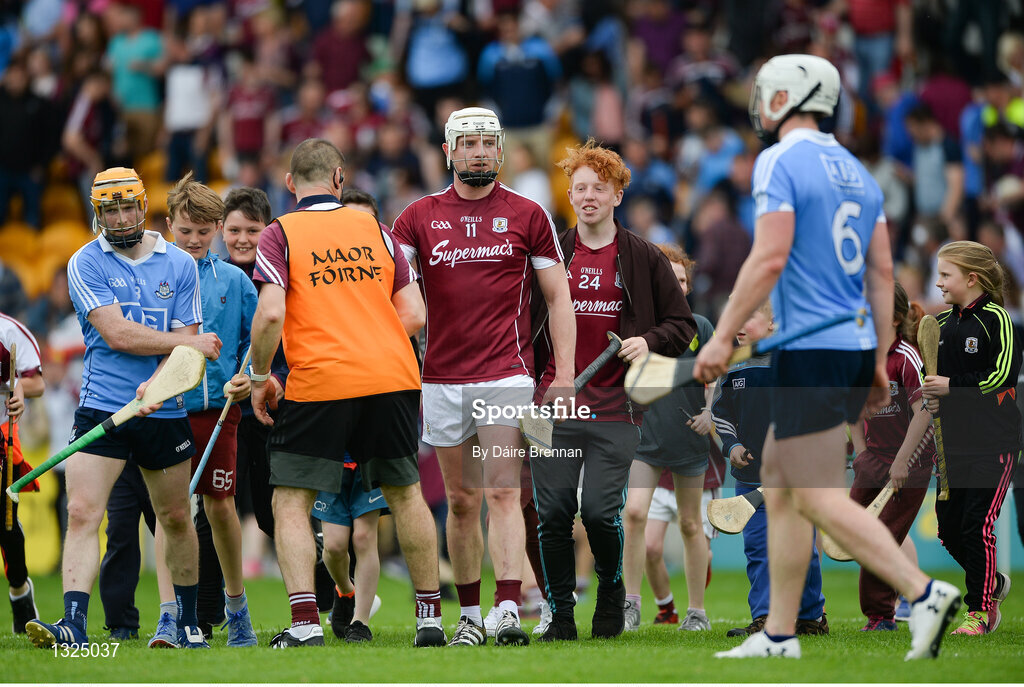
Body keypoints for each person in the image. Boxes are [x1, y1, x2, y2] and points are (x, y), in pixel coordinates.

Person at [693, 54, 960, 661]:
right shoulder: (859, 172)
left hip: (808, 346)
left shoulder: (780, 159)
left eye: (765, 96)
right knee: (784, 488)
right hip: (844, 345)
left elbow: (768, 257)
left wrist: (720, 336)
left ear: (788, 98)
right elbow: (882, 272)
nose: (760, 107)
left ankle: (923, 595)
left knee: (811, 494)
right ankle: (780, 635)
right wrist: (872, 361)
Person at [391, 107, 576, 647]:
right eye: (467, 143)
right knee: (461, 499)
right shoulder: (416, 217)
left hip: (506, 373)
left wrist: (563, 373)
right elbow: (388, 295)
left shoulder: (529, 214)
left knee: (502, 492)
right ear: (448, 151)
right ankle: (468, 614)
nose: (478, 152)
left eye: (488, 143)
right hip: (441, 377)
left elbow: (558, 295)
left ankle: (507, 610)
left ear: (501, 151)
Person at [249, 138, 444, 648]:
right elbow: (416, 314)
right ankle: (429, 620)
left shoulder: (280, 233)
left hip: (320, 381)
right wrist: (368, 341)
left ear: (290, 184)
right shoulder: (378, 231)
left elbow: (270, 314)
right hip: (392, 378)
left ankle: (306, 624)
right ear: (340, 177)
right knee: (406, 495)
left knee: (291, 500)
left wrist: (260, 374)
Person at [25, 167, 223, 650]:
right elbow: (116, 333)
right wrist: (185, 342)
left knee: (176, 516)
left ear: (141, 205)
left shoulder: (178, 264)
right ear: (98, 214)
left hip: (164, 410)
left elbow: (188, 352)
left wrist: (159, 383)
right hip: (103, 408)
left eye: (126, 206)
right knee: (82, 512)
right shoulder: (84, 262)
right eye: (108, 209)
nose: (118, 217)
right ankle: (72, 624)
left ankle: (187, 621)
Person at [530, 140, 694, 641]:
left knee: (600, 514)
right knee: (554, 513)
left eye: (599, 188)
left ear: (617, 194)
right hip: (552, 404)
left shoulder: (642, 256)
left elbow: (682, 324)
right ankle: (559, 614)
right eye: (579, 188)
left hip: (615, 409)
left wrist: (648, 340)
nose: (588, 197)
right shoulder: (550, 253)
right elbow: (521, 325)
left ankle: (610, 590)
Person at [144, 173, 259, 648]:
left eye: (204, 231)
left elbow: (260, 339)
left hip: (220, 410)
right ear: (169, 224)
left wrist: (251, 375)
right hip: (165, 410)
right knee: (171, 512)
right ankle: (169, 616)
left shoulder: (234, 278)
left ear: (216, 228)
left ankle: (237, 609)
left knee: (220, 507)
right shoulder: (149, 276)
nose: (193, 240)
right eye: (185, 230)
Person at [711, 299, 829, 639]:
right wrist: (731, 446)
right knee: (759, 548)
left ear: (774, 323)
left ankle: (809, 616)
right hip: (751, 479)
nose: (739, 324)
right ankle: (764, 616)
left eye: (748, 315)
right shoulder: (732, 365)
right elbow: (721, 412)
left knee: (802, 548)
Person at [922, 241, 1019, 635]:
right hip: (952, 448)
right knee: (949, 530)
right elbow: (931, 381)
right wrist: (928, 394)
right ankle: (991, 583)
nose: (939, 282)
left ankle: (980, 613)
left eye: (945, 275)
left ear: (972, 278)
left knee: (977, 526)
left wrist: (951, 387)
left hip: (993, 445)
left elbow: (1003, 377)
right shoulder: (941, 325)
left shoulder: (998, 319)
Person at [622, 243, 713, 633]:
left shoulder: (702, 328)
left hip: (688, 441)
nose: (675, 286)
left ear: (688, 287)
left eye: (681, 280)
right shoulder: (640, 330)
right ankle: (630, 604)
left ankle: (696, 613)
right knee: (634, 513)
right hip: (646, 440)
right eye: (668, 279)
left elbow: (716, 379)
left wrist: (711, 413)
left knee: (691, 525)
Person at [850, 282, 936, 632]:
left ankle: (882, 617)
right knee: (852, 533)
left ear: (895, 317)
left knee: (881, 539)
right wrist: (860, 455)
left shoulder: (906, 357)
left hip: (909, 465)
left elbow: (926, 411)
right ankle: (923, 596)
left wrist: (902, 461)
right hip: (873, 462)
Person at [1, 312, 44, 633]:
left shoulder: (8, 331)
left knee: (4, 523)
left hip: (0, 437)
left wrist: (18, 390)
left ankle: (19, 590)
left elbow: (36, 382)